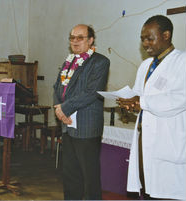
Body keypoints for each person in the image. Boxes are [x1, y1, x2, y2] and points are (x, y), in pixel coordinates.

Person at [118, 15, 186, 199]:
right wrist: (129, 102)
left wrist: (142, 102)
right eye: (142, 39)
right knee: (148, 190)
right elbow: (140, 94)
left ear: (166, 35)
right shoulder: (146, 65)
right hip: (145, 139)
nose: (145, 43)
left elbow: (180, 98)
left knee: (168, 192)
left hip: (169, 140)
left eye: (150, 38)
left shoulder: (183, 61)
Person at [53, 24, 110, 200]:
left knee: (90, 176)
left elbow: (92, 92)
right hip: (67, 125)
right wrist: (58, 108)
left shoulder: (100, 62)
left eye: (80, 37)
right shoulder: (68, 62)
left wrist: (65, 108)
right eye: (72, 37)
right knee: (70, 175)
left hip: (86, 126)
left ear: (90, 40)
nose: (75, 41)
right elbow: (57, 87)